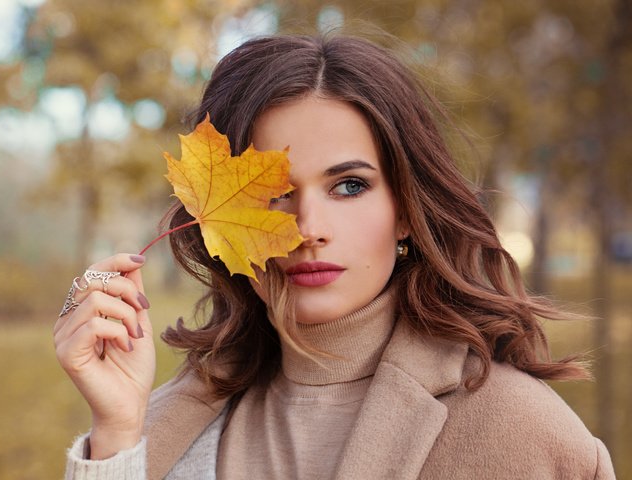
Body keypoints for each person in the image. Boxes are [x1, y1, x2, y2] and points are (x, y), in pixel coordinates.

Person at [53, 34, 616, 479]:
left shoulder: (525, 435)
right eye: (274, 193)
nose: (308, 229)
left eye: (349, 186)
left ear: (405, 209)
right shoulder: (161, 427)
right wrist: (117, 438)